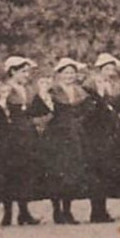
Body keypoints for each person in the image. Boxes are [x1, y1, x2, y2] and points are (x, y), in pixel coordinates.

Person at [32, 60, 91, 225]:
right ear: (59, 75)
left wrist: (80, 122)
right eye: (66, 73)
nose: (69, 76)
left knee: (72, 172)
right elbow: (38, 110)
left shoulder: (81, 92)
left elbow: (88, 110)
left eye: (72, 73)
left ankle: (67, 210)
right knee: (56, 173)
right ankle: (57, 210)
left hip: (75, 136)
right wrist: (43, 95)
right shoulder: (52, 91)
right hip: (57, 136)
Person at [0, 56, 44, 227]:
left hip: (27, 134)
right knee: (10, 173)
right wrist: (2, 102)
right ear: (13, 71)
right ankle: (7, 214)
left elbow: (37, 110)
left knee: (25, 172)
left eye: (28, 71)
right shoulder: (4, 89)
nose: (27, 75)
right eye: (23, 71)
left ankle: (24, 213)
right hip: (10, 135)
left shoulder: (29, 89)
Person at [84, 54, 120, 222]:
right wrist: (100, 95)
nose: (110, 71)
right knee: (97, 171)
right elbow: (90, 109)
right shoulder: (90, 84)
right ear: (100, 69)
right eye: (106, 68)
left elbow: (118, 105)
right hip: (95, 132)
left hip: (110, 131)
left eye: (112, 68)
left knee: (106, 170)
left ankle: (101, 210)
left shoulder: (114, 84)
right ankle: (97, 211)